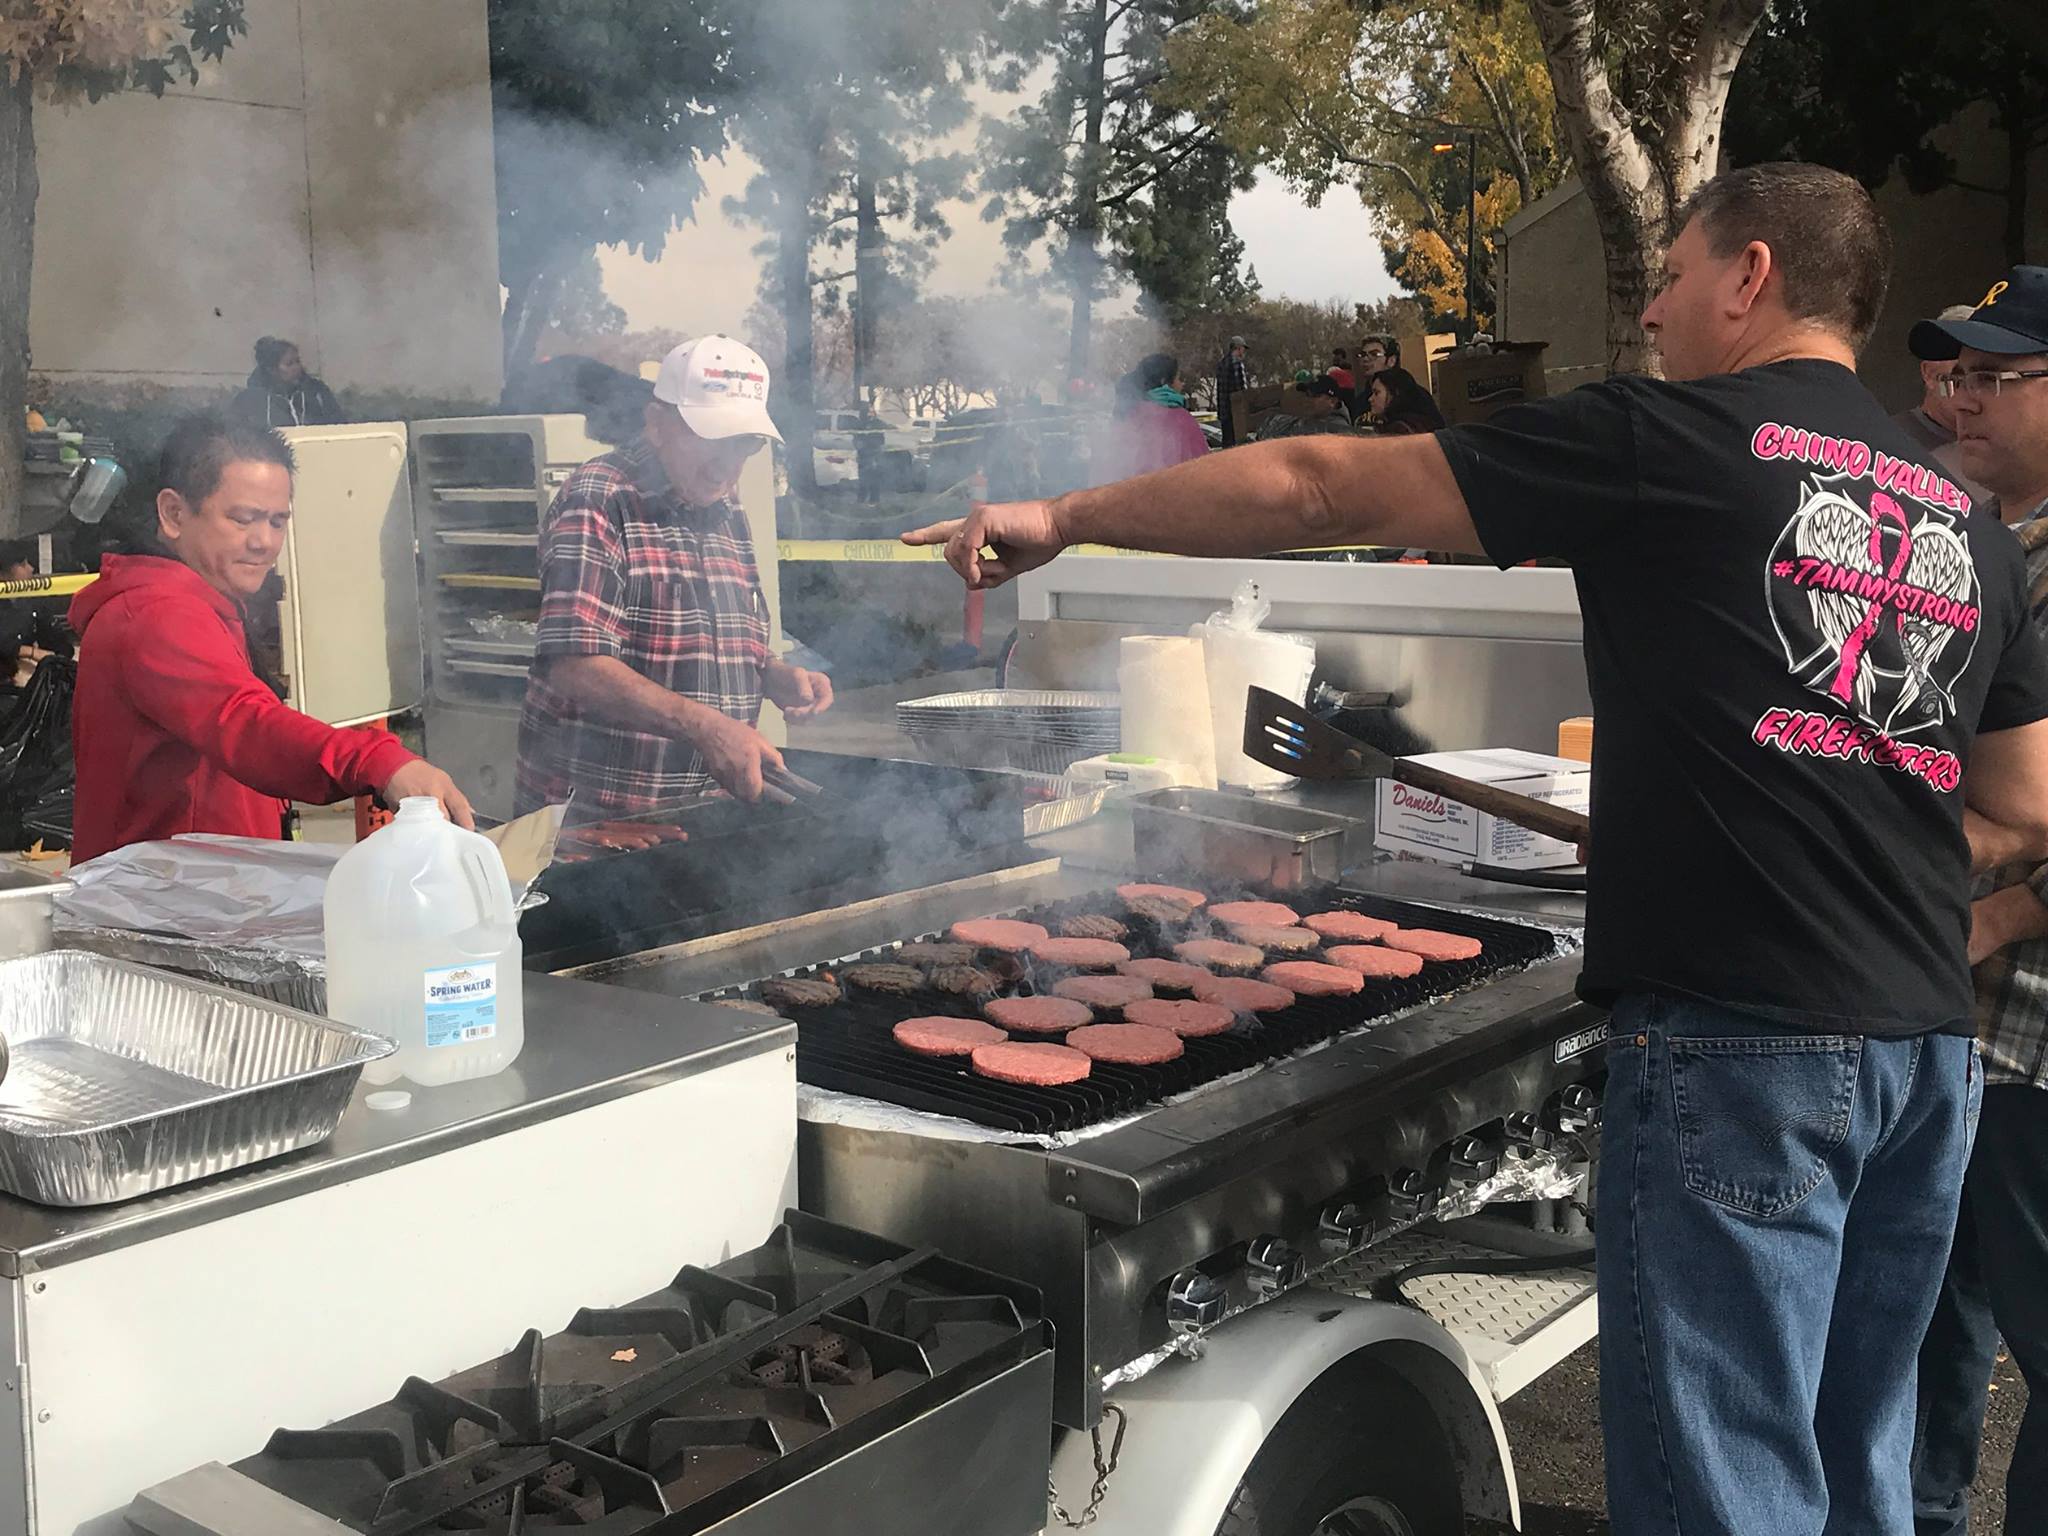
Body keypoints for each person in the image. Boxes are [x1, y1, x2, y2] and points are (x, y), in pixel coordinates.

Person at [908, 162, 2048, 1536]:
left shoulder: (1674, 439)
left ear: (1751, 275)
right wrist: (1869, 851)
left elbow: (1326, 487)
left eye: (1675, 281)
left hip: (1747, 1043)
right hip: (1926, 1054)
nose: (1658, 318)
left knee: (1724, 1489)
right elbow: (2026, 801)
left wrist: (1063, 520)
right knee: (1851, 1460)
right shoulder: (1964, 525)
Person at [67, 413, 470, 864]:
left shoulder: (201, 604)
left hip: (203, 893)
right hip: (166, 908)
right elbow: (244, 723)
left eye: (278, 522)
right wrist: (377, 760)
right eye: (243, 519)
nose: (264, 542)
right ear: (174, 514)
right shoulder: (156, 615)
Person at [1906, 266, 2048, 1536]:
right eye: (1954, 375)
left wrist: (2000, 916)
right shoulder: (1968, 540)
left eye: (1996, 376)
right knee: (1924, 1318)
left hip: (2029, 1028)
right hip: (1949, 1016)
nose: (1962, 399)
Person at [514, 335, 833, 812]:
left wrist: (772, 674)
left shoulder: (726, 504)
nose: (727, 463)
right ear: (658, 424)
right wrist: (706, 727)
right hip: (596, 815)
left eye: (744, 442)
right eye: (711, 437)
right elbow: (576, 667)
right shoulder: (600, 498)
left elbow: (720, 635)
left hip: (701, 809)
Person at [1895, 303, 1996, 514]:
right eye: (1957, 379)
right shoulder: (1888, 443)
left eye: (1985, 379)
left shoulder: (2013, 448)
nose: (1969, 397)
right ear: (1929, 374)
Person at [1090, 353, 1207, 485]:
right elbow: (1202, 470)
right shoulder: (1181, 419)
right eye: (1178, 378)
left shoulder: (1128, 415)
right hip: (1173, 498)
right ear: (1164, 381)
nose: (1181, 383)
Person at [229, 337, 345, 430]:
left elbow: (340, 426)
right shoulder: (250, 400)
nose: (297, 367)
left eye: (297, 361)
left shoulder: (317, 392)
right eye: (289, 364)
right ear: (271, 369)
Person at [1254, 376, 1353, 441]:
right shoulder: (1301, 421)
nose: (1307, 399)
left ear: (1332, 401)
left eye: (1314, 395)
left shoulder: (1339, 429)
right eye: (1307, 394)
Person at [1365, 366, 1446, 435]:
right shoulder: (1423, 423)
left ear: (1395, 393)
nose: (1370, 399)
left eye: (1376, 393)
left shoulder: (1399, 430)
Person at [1216, 336, 1251, 448]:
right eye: (1243, 349)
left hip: (1224, 411)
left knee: (1227, 444)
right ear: (1238, 348)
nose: (1243, 352)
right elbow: (1240, 389)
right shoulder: (1237, 363)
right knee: (1238, 446)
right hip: (1235, 412)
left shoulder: (1222, 363)